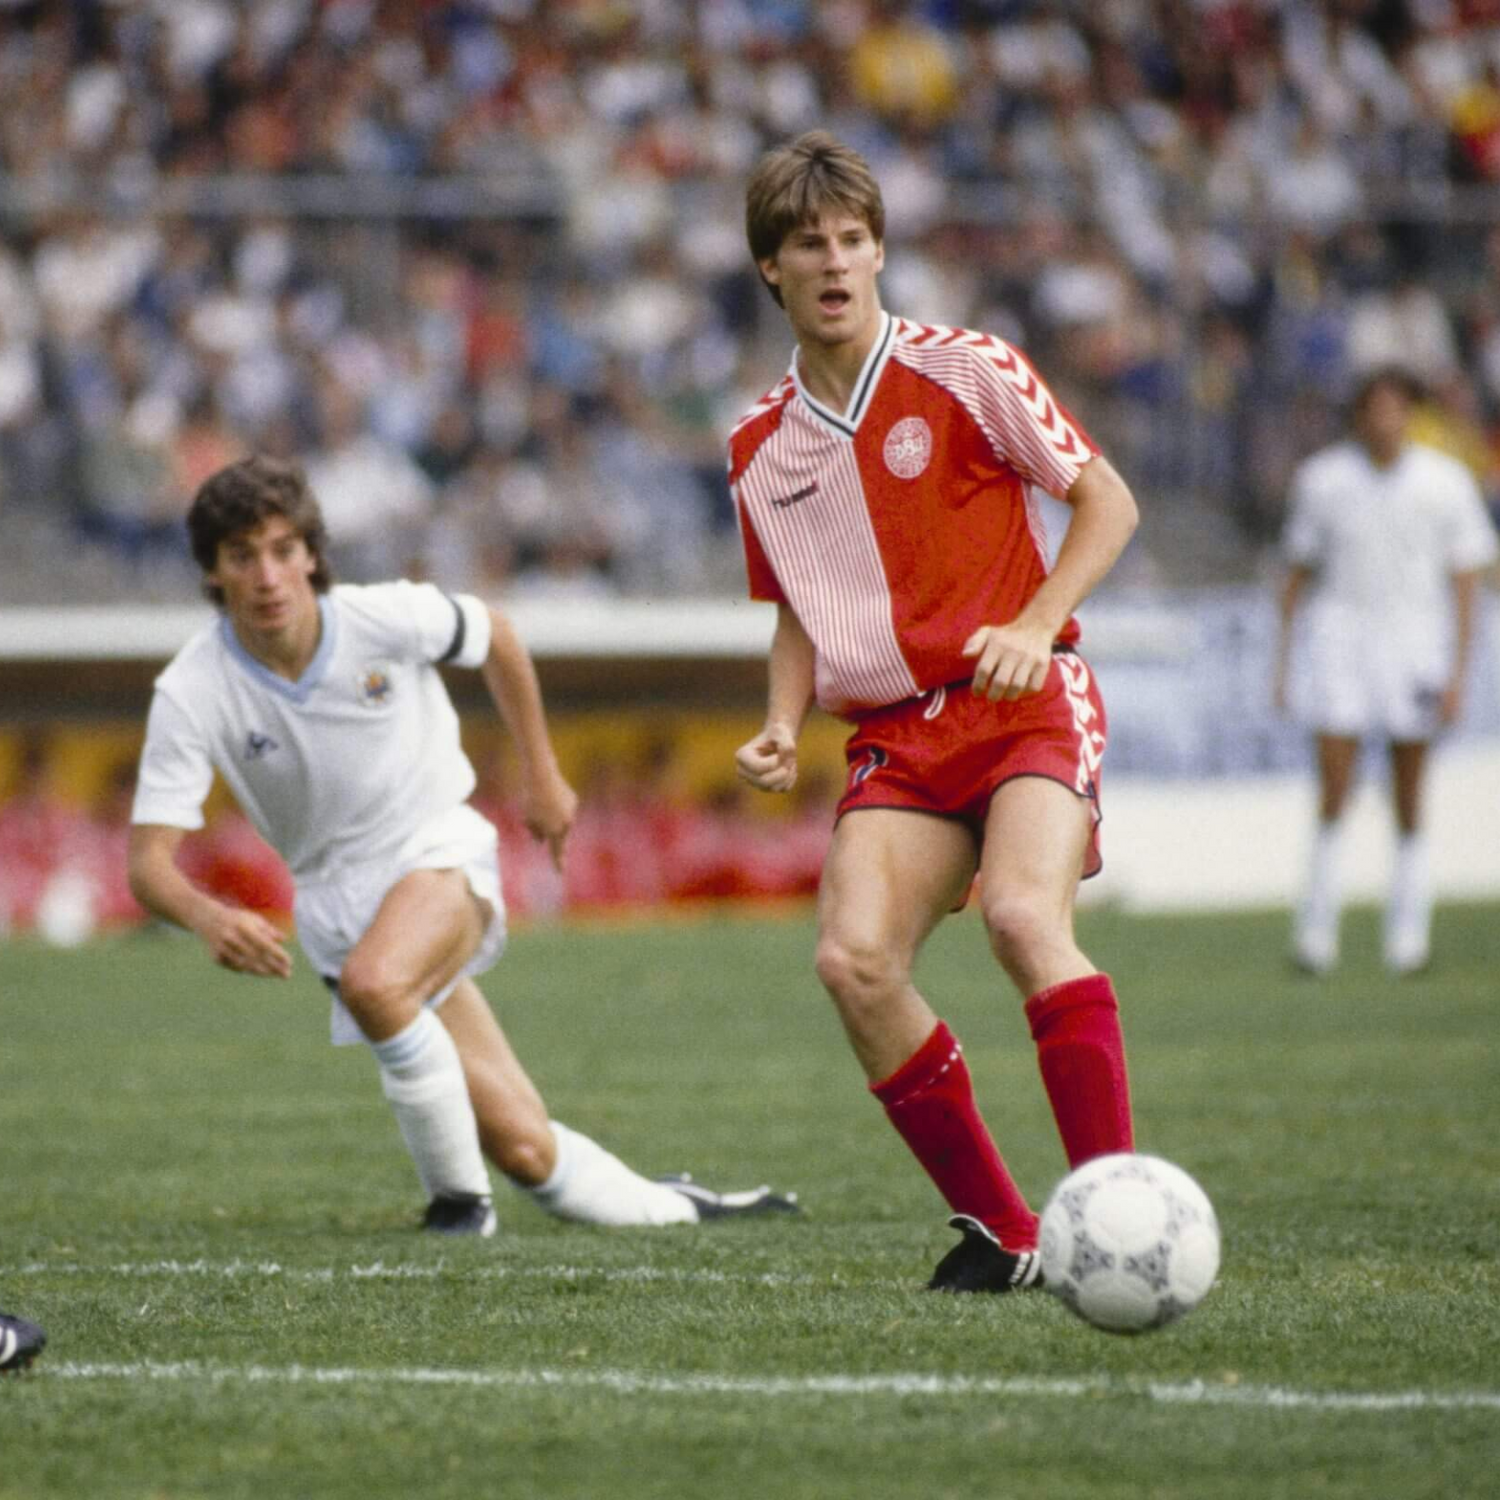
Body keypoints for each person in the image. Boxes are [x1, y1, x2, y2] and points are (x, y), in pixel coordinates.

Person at [129, 455, 797, 1235]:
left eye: (282, 549)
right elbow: (147, 865)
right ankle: (680, 1206)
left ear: (311, 553)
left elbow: (499, 637)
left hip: (435, 851)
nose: (268, 575)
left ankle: (459, 1206)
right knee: (525, 1148)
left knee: (380, 986)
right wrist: (209, 920)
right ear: (213, 572)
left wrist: (543, 778)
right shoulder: (192, 688)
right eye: (242, 557)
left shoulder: (383, 617)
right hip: (336, 902)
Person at [729, 133, 1140, 1293]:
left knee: (1021, 916)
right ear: (772, 267)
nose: (836, 261)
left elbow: (1107, 502)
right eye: (810, 243)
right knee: (854, 963)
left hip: (1024, 702)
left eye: (855, 239)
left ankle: (1112, 1214)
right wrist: (777, 719)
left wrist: (1033, 620)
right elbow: (797, 611)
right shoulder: (756, 446)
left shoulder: (969, 369)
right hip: (900, 736)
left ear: (879, 251)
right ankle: (1011, 1234)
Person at [1273, 366, 1499, 976]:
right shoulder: (1323, 480)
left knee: (1410, 794)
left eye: (1397, 408)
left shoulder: (1445, 482)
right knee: (1334, 789)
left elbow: (1466, 583)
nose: (1385, 421)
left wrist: (1459, 670)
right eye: (1375, 408)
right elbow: (1296, 575)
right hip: (1343, 640)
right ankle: (1315, 938)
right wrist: (1284, 663)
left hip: (1414, 645)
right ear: (1358, 415)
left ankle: (1409, 940)